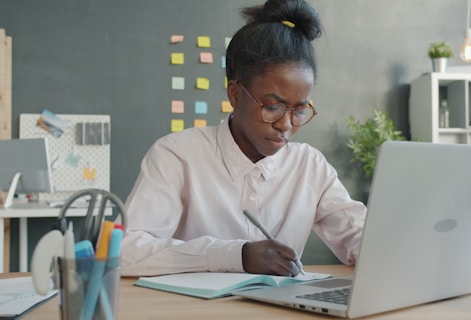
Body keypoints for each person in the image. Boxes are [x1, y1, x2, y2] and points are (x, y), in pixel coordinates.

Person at [120, 0, 366, 277]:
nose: (285, 125)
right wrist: (236, 255)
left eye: (299, 110)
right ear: (235, 95)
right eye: (272, 106)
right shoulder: (176, 155)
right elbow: (126, 252)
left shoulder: (309, 166)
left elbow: (360, 237)